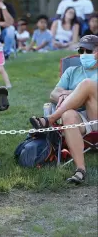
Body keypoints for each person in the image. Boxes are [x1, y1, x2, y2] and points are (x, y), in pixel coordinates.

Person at [29, 35, 98, 184]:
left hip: (96, 115)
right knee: (67, 115)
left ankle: (50, 119)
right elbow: (53, 94)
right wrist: (66, 94)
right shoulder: (72, 71)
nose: (84, 54)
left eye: (89, 50)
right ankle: (80, 170)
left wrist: (72, 93)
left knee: (87, 84)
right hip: (82, 119)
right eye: (81, 50)